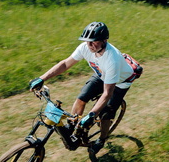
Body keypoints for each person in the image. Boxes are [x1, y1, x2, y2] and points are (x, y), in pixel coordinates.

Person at [29, 22, 135, 154]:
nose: (89, 45)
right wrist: (42, 78)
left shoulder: (112, 59)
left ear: (104, 40)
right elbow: (65, 64)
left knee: (104, 113)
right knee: (81, 99)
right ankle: (73, 127)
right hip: (101, 74)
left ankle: (102, 139)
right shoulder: (85, 47)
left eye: (94, 41)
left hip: (119, 83)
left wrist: (91, 115)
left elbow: (107, 93)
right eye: (87, 41)